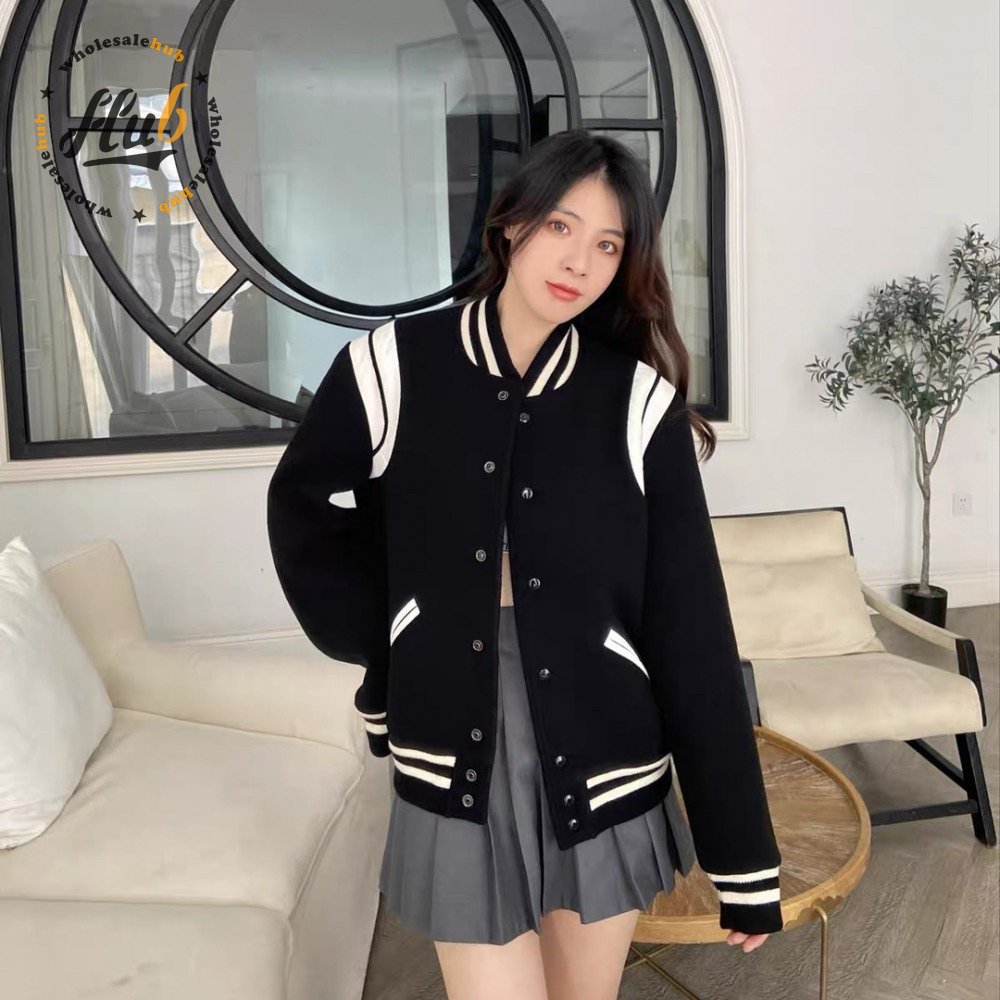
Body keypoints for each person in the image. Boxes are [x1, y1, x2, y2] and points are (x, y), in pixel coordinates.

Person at [267, 129, 782, 1000]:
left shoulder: (638, 404)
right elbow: (303, 509)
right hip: (453, 745)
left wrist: (743, 858)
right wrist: (393, 640)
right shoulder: (392, 367)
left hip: (605, 752)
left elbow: (691, 627)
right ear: (513, 224)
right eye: (561, 227)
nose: (579, 261)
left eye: (608, 245)